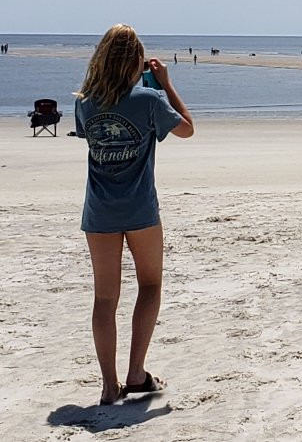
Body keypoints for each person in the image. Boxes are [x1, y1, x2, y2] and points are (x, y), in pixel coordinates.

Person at [74, 24, 195, 406]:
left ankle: (109, 386)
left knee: (105, 298)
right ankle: (136, 373)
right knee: (151, 286)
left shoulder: (84, 102)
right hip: (140, 208)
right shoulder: (147, 99)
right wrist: (165, 84)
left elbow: (89, 138)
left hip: (99, 210)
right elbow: (188, 130)